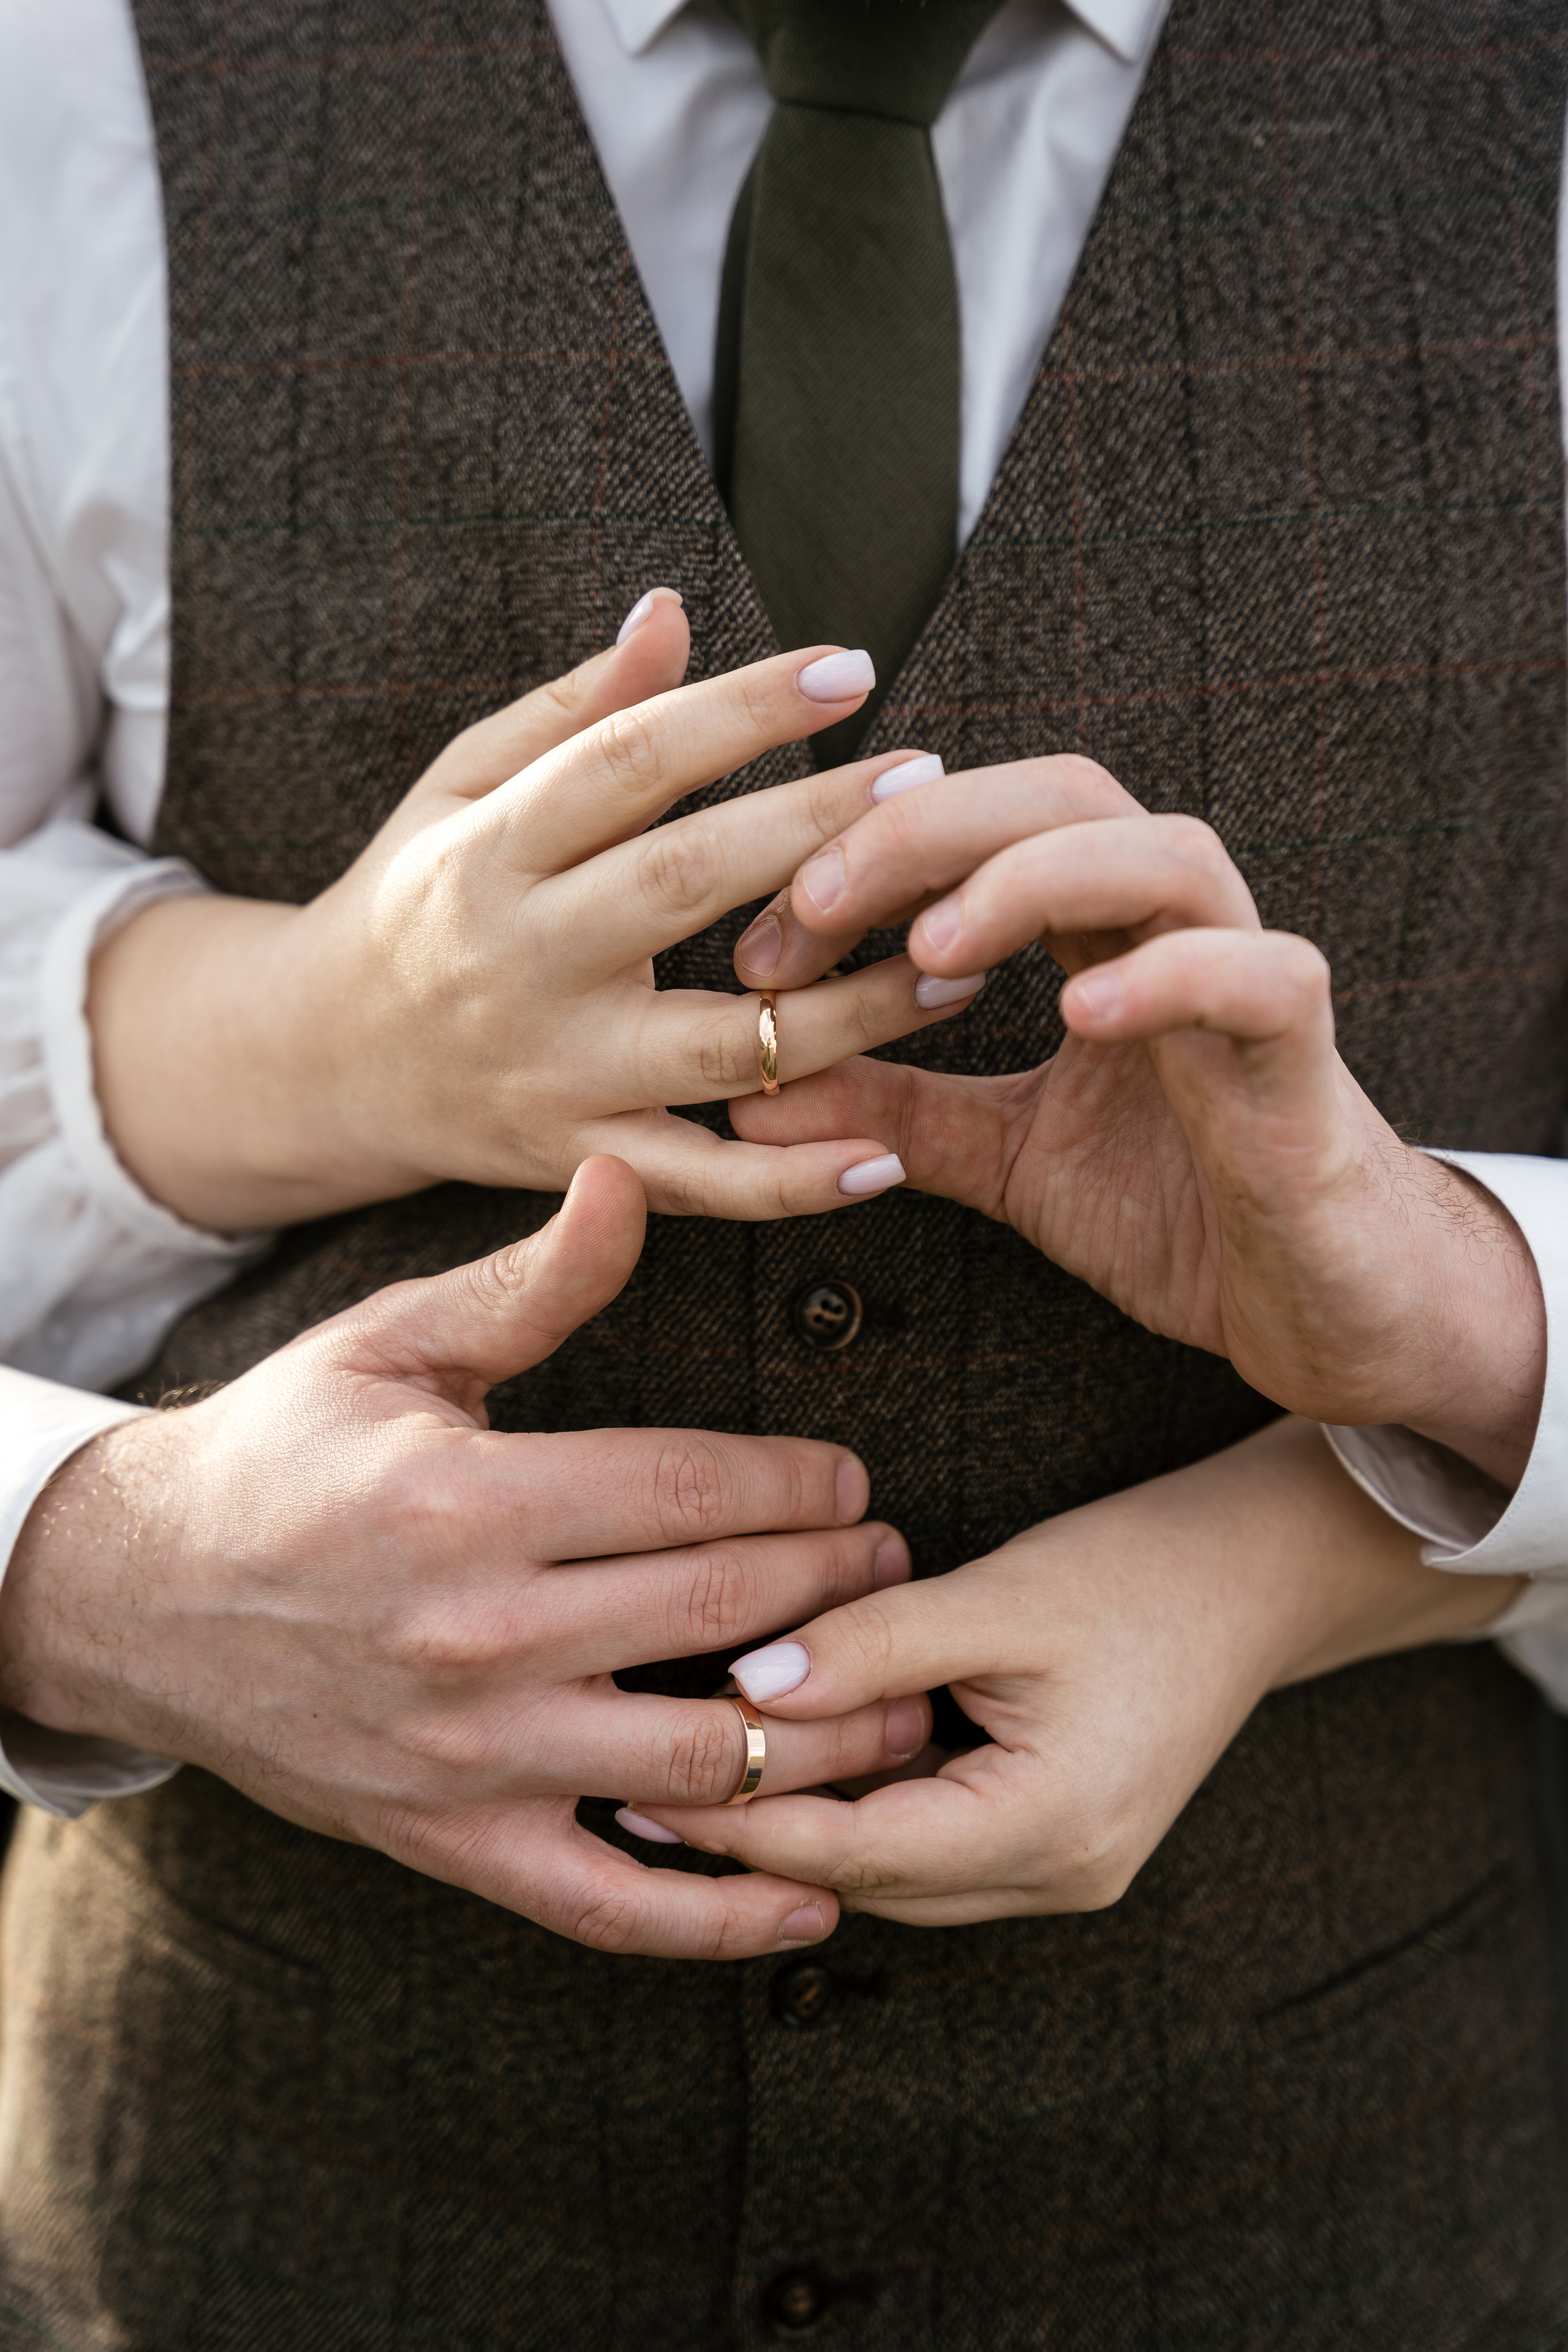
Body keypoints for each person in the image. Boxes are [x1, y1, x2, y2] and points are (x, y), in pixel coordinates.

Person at [0, 2, 1566, 2346]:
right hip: (240, 2192)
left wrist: (1418, 1392)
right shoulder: (62, 67)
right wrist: (83, 1564)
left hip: (1349, 2187)